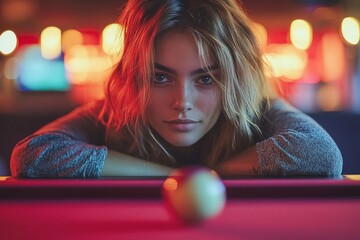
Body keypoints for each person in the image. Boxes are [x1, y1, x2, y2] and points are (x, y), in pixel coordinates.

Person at [10, 0, 342, 178]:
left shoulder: (255, 107)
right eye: (160, 77)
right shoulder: (119, 108)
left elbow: (321, 154)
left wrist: (207, 174)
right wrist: (175, 176)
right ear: (136, 78)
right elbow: (33, 156)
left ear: (234, 81)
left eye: (206, 79)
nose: (182, 102)